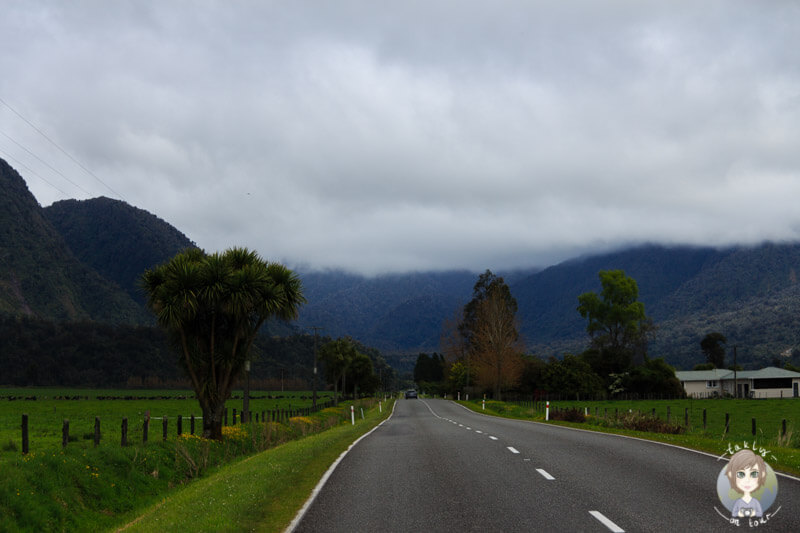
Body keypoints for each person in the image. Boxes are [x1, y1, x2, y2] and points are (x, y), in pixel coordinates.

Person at [725, 449, 767, 518]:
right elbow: (734, 513)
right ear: (731, 475)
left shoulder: (755, 502)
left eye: (754, 474)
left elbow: (760, 513)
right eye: (741, 474)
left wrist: (754, 513)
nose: (747, 480)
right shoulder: (738, 502)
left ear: (762, 474)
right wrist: (739, 513)